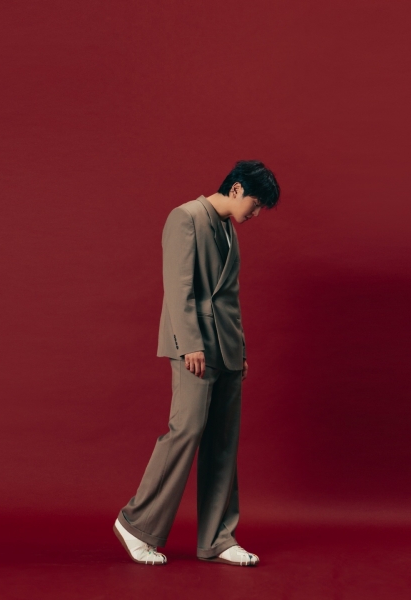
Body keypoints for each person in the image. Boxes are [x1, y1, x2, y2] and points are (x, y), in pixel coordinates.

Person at [113, 160, 281, 566]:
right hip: (194, 346)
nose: (256, 214)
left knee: (223, 441)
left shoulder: (228, 230)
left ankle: (218, 540)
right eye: (256, 204)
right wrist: (190, 343)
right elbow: (179, 287)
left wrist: (240, 351)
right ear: (237, 189)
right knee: (186, 430)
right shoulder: (185, 217)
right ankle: (136, 524)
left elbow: (230, 297)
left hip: (226, 348)